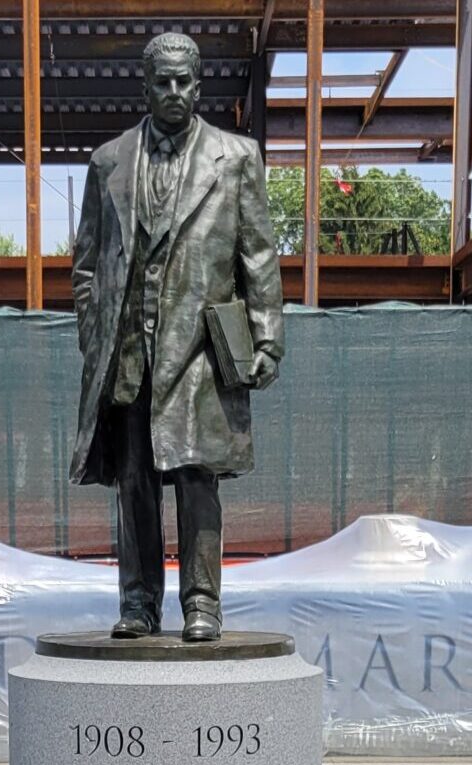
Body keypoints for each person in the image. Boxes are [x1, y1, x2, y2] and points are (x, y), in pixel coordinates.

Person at [67, 32, 286, 643]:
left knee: (197, 476)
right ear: (145, 85)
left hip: (199, 347)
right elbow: (85, 264)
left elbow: (259, 256)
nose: (173, 92)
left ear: (199, 84)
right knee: (133, 478)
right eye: (161, 82)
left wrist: (267, 337)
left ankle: (202, 603)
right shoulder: (108, 162)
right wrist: (96, 335)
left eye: (183, 81)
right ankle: (137, 602)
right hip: (128, 348)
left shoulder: (237, 156)